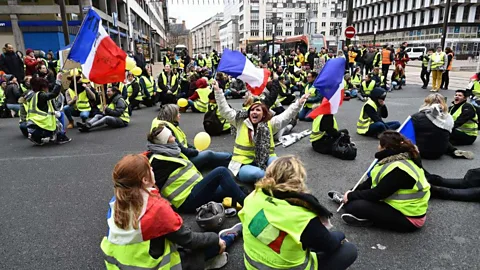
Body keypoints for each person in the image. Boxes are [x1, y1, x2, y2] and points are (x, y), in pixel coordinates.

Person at [101, 154, 243, 270]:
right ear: (144, 180)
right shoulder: (156, 208)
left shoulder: (116, 202)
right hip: (155, 266)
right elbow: (189, 240)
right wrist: (213, 238)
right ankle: (225, 240)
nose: (153, 170)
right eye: (150, 169)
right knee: (213, 245)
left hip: (120, 264)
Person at [239, 156, 357, 270]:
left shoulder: (253, 197)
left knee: (308, 239)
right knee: (349, 249)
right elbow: (329, 245)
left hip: (253, 266)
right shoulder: (301, 217)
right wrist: (341, 235)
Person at [329, 131, 430, 232]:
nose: (377, 147)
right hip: (400, 207)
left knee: (354, 206)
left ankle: (368, 220)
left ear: (385, 147)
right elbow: (371, 182)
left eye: (379, 144)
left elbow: (377, 194)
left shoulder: (400, 170)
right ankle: (344, 200)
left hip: (409, 217)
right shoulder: (394, 159)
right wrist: (350, 192)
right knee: (355, 200)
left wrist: (351, 196)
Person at [214, 80, 308, 183]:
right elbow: (224, 110)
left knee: (282, 168)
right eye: (252, 110)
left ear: (263, 114)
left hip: (266, 159)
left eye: (258, 110)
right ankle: (277, 182)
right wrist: (218, 91)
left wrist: (299, 103)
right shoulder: (240, 121)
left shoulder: (270, 123)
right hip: (242, 164)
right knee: (260, 174)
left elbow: (286, 116)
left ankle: (282, 183)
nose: (254, 112)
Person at [146, 125, 246, 212]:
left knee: (237, 188)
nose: (174, 138)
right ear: (165, 142)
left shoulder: (170, 151)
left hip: (196, 190)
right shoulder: (157, 161)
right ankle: (248, 206)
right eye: (171, 136)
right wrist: (166, 209)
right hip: (187, 200)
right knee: (221, 172)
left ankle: (254, 202)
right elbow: (153, 187)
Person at [151, 104, 232, 171]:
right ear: (171, 116)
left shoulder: (167, 126)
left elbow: (183, 143)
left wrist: (194, 150)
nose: (180, 115)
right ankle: (232, 158)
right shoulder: (166, 130)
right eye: (177, 113)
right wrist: (195, 152)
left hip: (182, 157)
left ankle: (230, 160)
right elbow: (181, 150)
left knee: (208, 158)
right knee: (208, 154)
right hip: (182, 160)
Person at [411, 93, 474, 160]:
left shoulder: (417, 116)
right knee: (439, 135)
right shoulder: (447, 116)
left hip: (422, 151)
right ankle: (453, 150)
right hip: (440, 150)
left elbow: (409, 133)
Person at [26, 74, 71, 145]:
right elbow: (53, 94)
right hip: (42, 123)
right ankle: (60, 137)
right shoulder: (41, 95)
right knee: (58, 125)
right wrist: (58, 80)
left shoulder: (32, 95)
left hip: (32, 123)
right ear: (43, 87)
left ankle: (36, 137)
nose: (48, 88)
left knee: (54, 122)